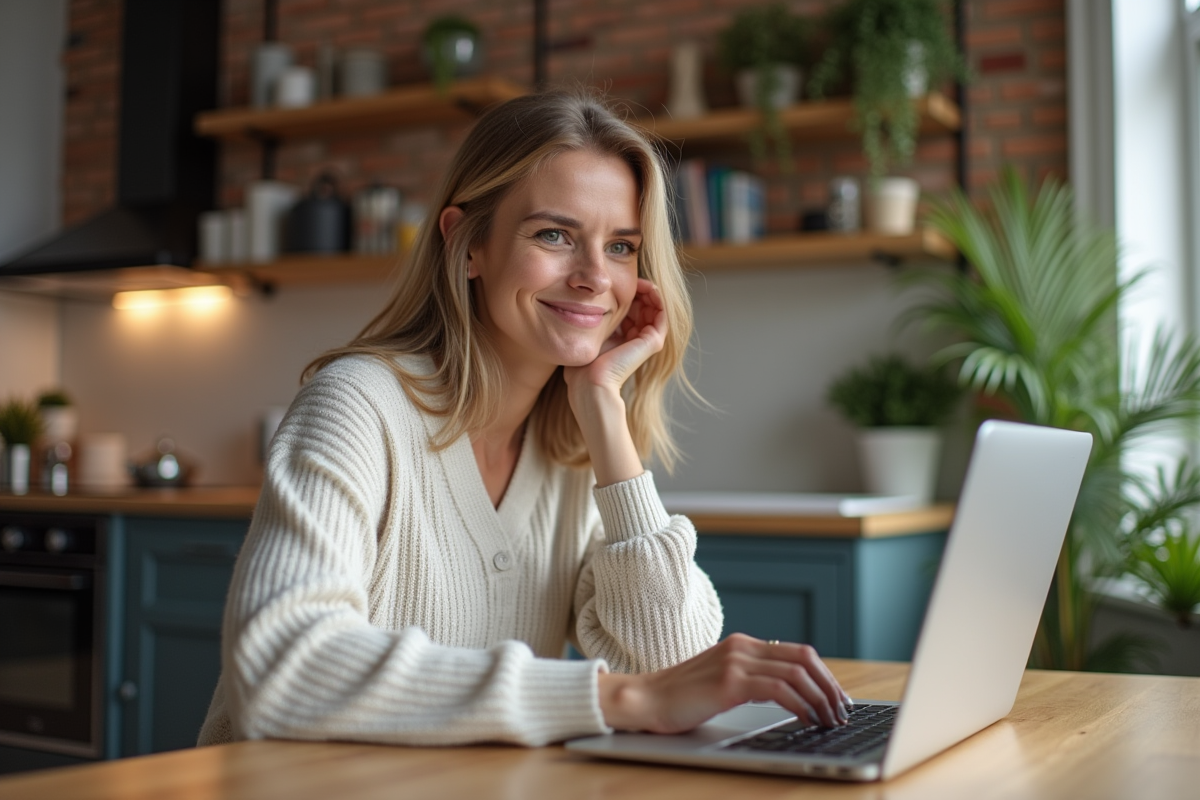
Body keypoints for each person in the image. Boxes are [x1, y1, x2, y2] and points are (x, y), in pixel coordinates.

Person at [197, 90, 849, 749]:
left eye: (621, 246)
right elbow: (281, 671)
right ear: (468, 243)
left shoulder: (567, 452)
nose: (596, 277)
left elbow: (671, 665)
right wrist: (620, 698)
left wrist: (603, 410)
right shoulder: (358, 406)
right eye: (555, 235)